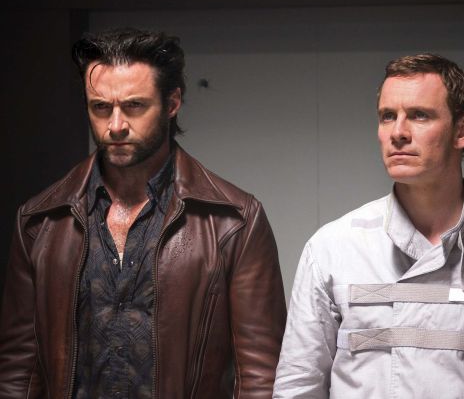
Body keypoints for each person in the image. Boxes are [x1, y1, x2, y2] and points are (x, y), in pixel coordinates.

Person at [0, 28, 286, 398]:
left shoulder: (233, 221)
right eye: (101, 108)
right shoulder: (40, 221)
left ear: (172, 103)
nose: (116, 126)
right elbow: (19, 371)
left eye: (134, 106)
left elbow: (261, 374)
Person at [274, 53, 464, 398]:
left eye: (419, 115)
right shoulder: (332, 249)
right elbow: (298, 387)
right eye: (387, 116)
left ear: (462, 130)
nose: (398, 133)